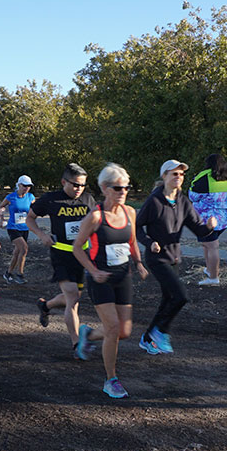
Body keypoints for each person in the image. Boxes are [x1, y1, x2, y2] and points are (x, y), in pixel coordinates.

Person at [72, 164, 148, 399]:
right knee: (113, 328)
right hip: (100, 279)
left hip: (122, 277)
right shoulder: (95, 217)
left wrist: (138, 263)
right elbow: (77, 248)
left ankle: (88, 334)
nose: (123, 191)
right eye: (117, 187)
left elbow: (132, 241)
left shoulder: (129, 213)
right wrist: (93, 272)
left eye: (126, 187)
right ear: (105, 189)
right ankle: (110, 379)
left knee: (124, 331)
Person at [136, 160, 217, 355]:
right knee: (180, 297)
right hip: (157, 259)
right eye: (174, 174)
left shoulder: (182, 201)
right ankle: (161, 332)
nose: (178, 177)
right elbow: (137, 226)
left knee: (168, 299)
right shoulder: (154, 201)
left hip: (174, 258)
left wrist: (209, 227)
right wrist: (149, 243)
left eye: (181, 174)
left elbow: (197, 228)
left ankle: (147, 337)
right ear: (164, 176)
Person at [27, 163, 97, 353]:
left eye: (82, 185)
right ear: (63, 182)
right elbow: (29, 218)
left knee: (72, 297)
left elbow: (97, 223)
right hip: (61, 253)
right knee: (73, 297)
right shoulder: (51, 199)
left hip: (81, 255)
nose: (79, 189)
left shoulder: (88, 199)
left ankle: (46, 305)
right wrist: (42, 235)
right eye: (75, 185)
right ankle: (77, 344)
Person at [188, 153, 227, 286]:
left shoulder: (204, 178)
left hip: (207, 221)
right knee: (207, 244)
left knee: (212, 246)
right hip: (224, 220)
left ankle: (213, 278)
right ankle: (210, 269)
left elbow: (193, 195)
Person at [0, 175, 35, 284]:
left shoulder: (30, 197)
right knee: (24, 248)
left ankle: (8, 273)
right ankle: (20, 274)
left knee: (17, 252)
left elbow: (34, 208)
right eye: (24, 185)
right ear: (19, 185)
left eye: (29, 186)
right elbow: (1, 206)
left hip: (25, 228)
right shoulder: (11, 197)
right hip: (13, 227)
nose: (26, 188)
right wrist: (2, 218)